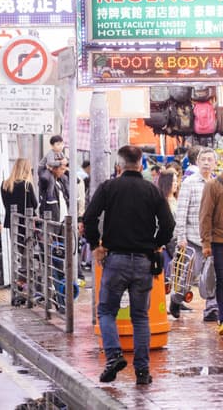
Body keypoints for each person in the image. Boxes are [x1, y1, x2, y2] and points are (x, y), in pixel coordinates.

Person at [83, 145, 174, 385]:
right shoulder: (152, 191)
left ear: (119, 166)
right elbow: (168, 224)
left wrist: (95, 245)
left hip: (116, 260)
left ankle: (113, 356)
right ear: (141, 163)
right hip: (144, 262)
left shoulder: (109, 188)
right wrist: (156, 244)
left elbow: (89, 217)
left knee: (106, 311)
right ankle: (142, 372)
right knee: (140, 317)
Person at [172, 146, 218, 321]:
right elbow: (181, 212)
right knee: (187, 277)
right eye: (203, 160)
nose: (206, 163)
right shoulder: (189, 183)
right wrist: (181, 237)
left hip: (212, 240)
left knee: (213, 276)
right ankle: (176, 300)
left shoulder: (215, 184)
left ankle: (211, 309)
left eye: (209, 160)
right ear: (197, 162)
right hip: (192, 240)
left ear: (215, 163)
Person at [200, 170, 223, 336]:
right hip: (218, 241)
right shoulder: (213, 186)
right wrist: (206, 242)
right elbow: (205, 215)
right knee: (222, 280)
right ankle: (222, 318)